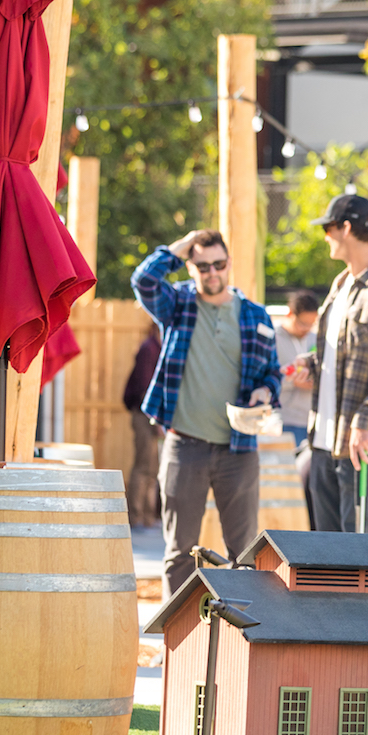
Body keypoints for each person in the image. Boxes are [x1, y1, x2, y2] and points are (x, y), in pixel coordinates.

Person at [132, 228, 281, 592]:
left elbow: (272, 373)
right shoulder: (177, 305)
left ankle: (239, 639)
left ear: (229, 264)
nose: (211, 273)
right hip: (186, 447)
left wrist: (265, 390)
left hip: (239, 451)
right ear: (191, 268)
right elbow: (143, 280)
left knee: (244, 555)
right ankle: (173, 646)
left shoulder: (255, 316)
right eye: (201, 266)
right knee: (179, 551)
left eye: (218, 264)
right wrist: (180, 247)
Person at [295, 195, 368, 534]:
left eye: (328, 228)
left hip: (359, 444)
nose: (325, 236)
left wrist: (364, 423)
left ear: (345, 228)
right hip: (322, 441)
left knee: (356, 552)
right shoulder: (340, 285)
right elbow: (339, 357)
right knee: (326, 554)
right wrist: (311, 364)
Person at [123, 324, 163, 528]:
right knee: (143, 467)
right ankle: (136, 517)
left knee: (152, 468)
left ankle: (148, 517)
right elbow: (145, 387)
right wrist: (155, 419)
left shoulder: (158, 348)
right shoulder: (149, 349)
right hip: (144, 415)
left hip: (151, 416)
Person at [275, 290, 319, 446]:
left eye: (311, 324)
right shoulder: (273, 339)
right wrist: (293, 382)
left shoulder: (316, 339)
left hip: (314, 421)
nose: (306, 329)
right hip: (286, 420)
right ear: (289, 314)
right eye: (302, 323)